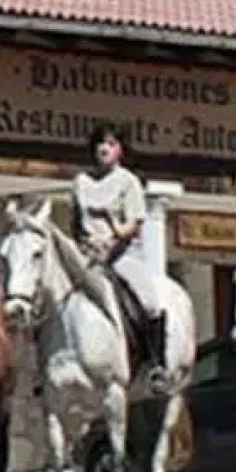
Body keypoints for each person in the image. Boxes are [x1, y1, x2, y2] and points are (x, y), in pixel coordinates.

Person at [72, 125, 175, 393]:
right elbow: (75, 223)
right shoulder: (81, 182)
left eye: (110, 144)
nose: (103, 149)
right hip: (87, 255)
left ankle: (157, 365)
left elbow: (133, 226)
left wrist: (113, 242)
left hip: (121, 255)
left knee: (150, 302)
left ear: (120, 150)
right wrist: (82, 249)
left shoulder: (128, 182)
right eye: (99, 144)